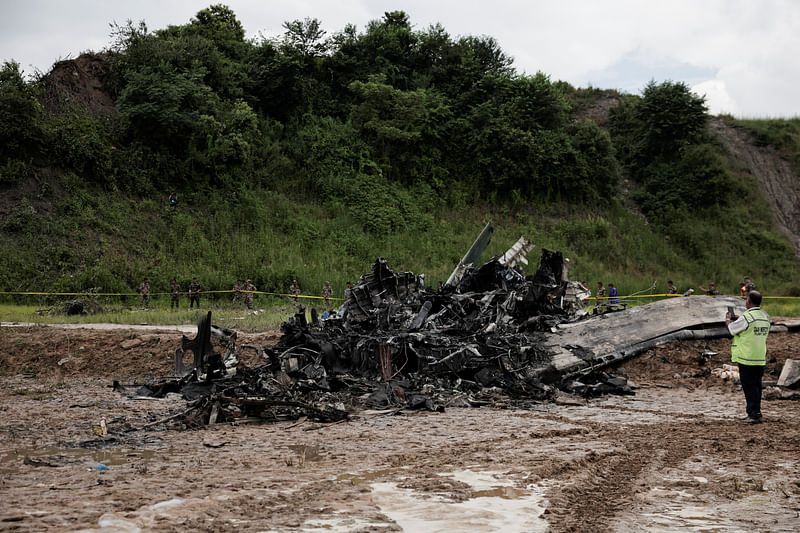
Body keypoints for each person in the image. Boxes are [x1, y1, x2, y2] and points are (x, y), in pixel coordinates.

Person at [726, 291, 770, 424]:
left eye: (746, 300)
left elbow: (732, 329)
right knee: (757, 387)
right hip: (760, 357)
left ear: (749, 302)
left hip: (747, 358)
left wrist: (728, 320)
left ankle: (752, 414)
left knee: (749, 387)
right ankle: (757, 412)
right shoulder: (764, 317)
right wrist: (740, 319)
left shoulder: (747, 317)